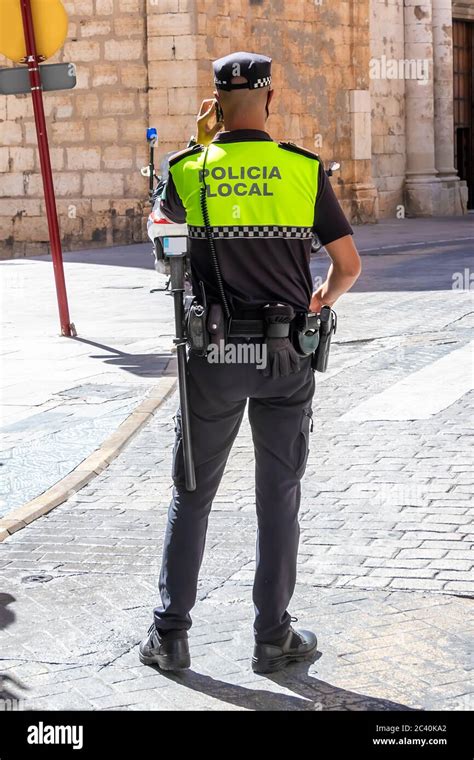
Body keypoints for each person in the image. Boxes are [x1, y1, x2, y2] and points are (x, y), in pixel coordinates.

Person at [139, 52, 361, 674]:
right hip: (285, 354)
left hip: (212, 356)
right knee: (279, 495)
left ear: (215, 102)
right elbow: (348, 267)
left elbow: (160, 232)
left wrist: (196, 143)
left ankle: (171, 635)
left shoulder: (189, 168)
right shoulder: (301, 169)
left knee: (193, 493)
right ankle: (273, 637)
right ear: (268, 100)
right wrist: (317, 303)